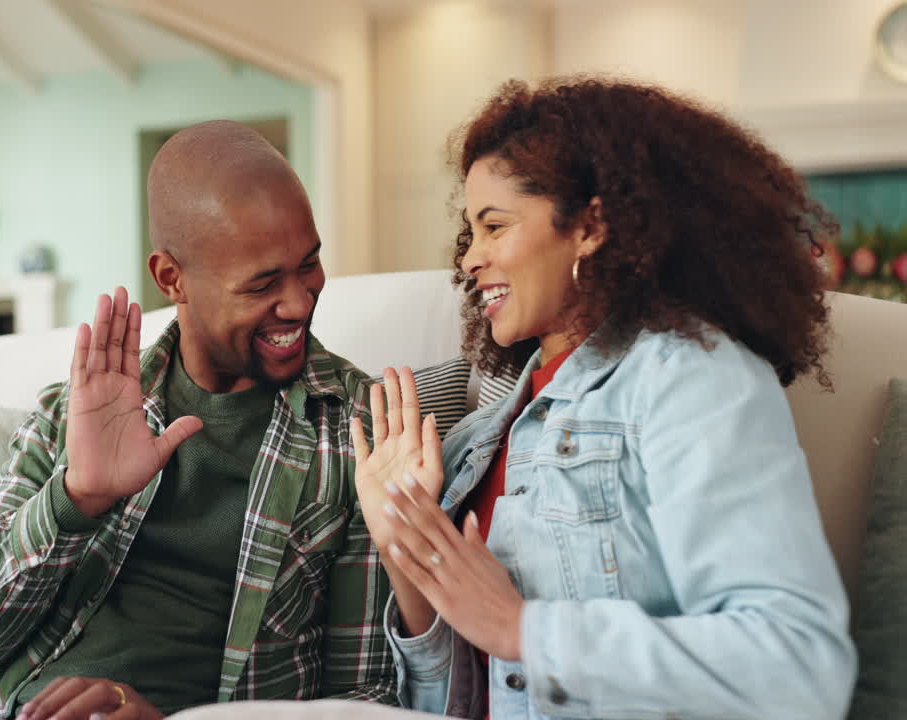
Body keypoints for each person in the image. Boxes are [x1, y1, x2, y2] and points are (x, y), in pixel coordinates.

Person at [352, 78, 857, 719]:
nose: (470, 259)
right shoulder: (480, 436)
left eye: (494, 226)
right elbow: (450, 703)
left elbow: (799, 667)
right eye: (469, 232)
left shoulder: (690, 376)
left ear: (590, 226)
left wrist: (526, 630)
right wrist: (405, 543)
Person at [0, 121, 396, 720]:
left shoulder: (359, 434)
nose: (298, 302)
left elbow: (370, 700)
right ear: (171, 278)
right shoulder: (74, 412)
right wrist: (74, 498)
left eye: (309, 264)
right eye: (263, 283)